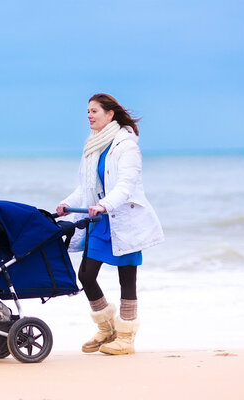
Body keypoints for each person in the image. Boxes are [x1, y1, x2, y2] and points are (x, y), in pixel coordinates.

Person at [56, 93, 164, 355]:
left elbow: (126, 186)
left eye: (94, 111)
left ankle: (126, 337)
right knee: (85, 275)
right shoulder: (93, 146)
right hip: (99, 221)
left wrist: (105, 205)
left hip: (122, 219)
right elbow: (86, 187)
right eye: (88, 112)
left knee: (127, 279)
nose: (90, 116)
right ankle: (107, 329)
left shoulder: (127, 147)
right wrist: (64, 205)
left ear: (110, 114)